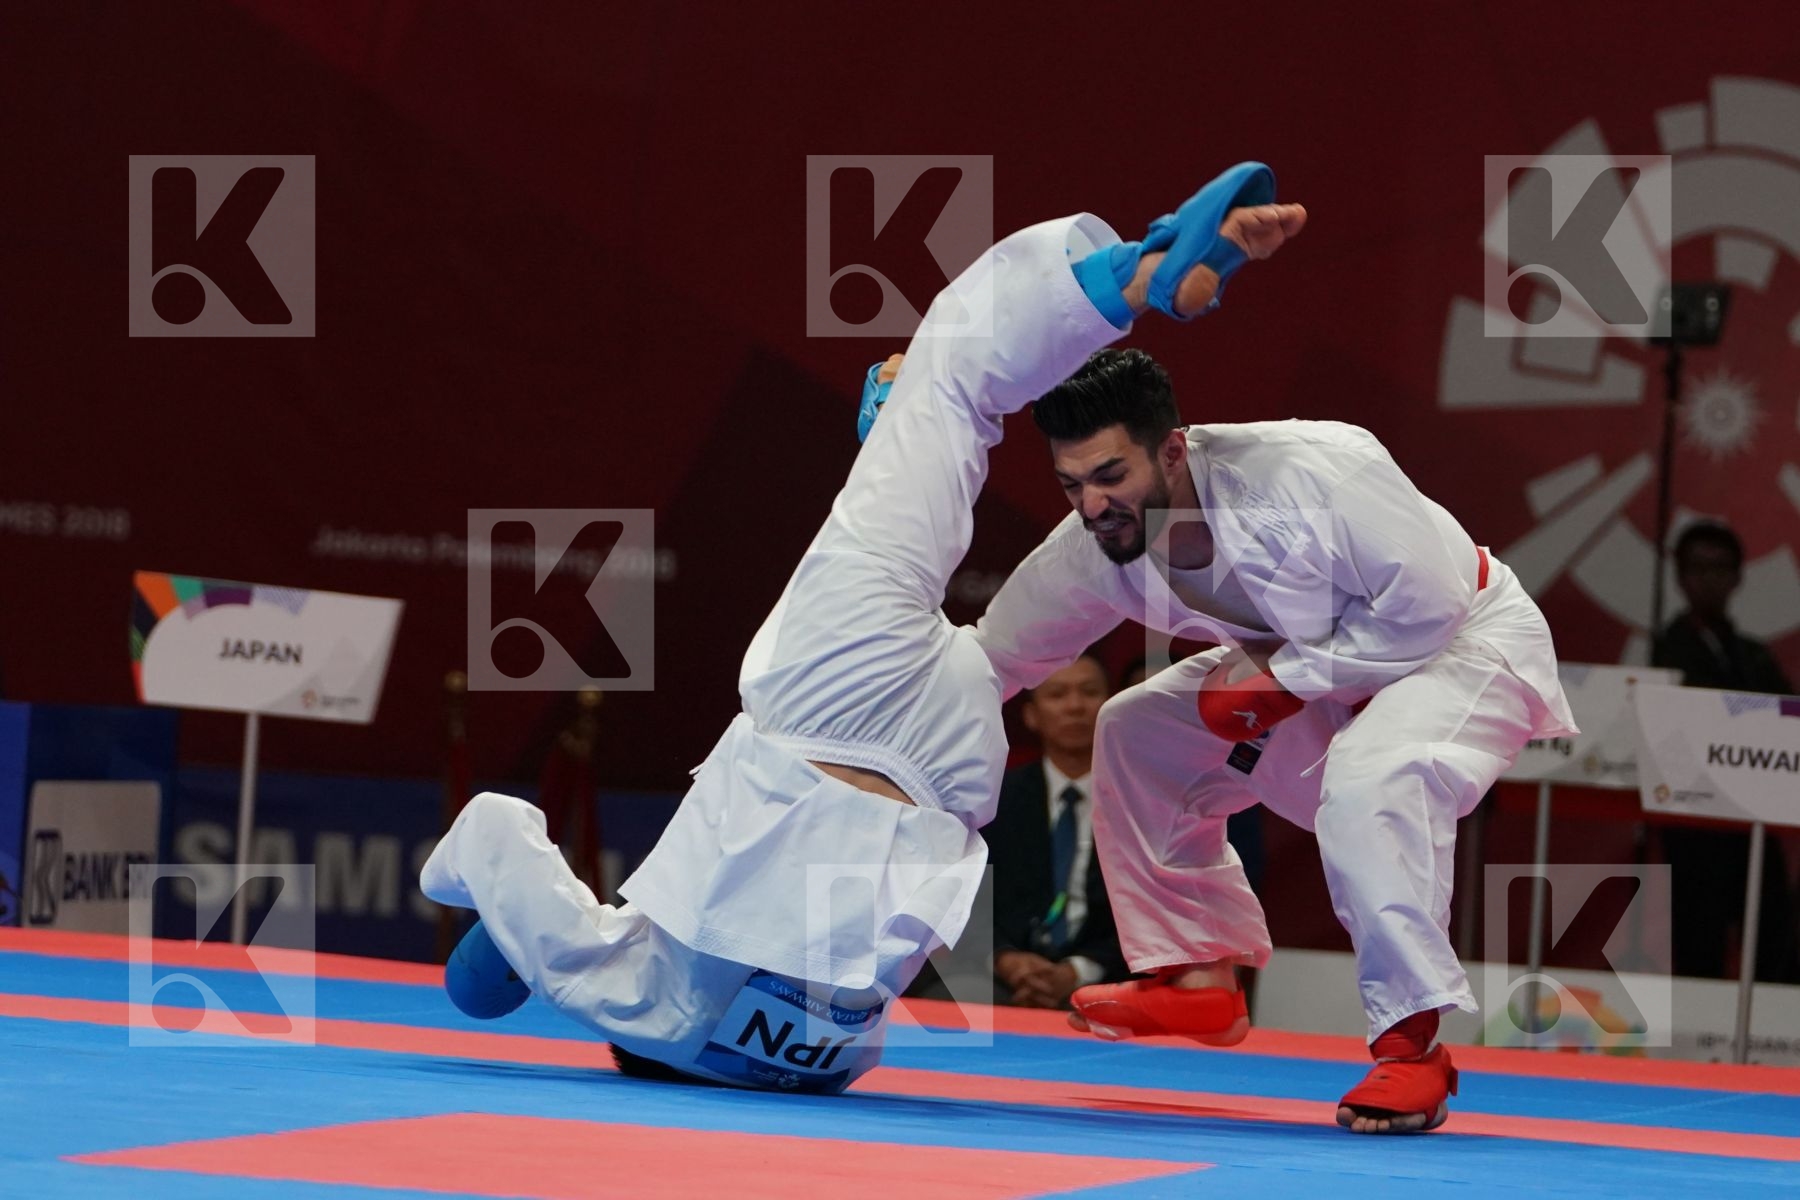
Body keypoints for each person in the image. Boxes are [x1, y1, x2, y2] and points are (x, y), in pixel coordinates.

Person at [420, 164, 1308, 1093]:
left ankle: (1289, 615)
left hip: (942, 766)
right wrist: (505, 931)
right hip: (830, 708)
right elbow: (492, 835)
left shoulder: (819, 1066)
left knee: (1099, 562)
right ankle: (1141, 273)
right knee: (947, 382)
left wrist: (525, 945)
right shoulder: (622, 993)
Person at [968, 332, 1579, 1132]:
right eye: (1071, 484)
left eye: (1112, 476)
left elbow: (1430, 605)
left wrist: (1284, 681)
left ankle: (1413, 1050)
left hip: (1463, 647)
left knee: (1370, 779)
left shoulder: (1314, 470)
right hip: (1320, 677)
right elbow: (993, 655)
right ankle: (1197, 976)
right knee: (1136, 728)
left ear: (1173, 450)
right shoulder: (1090, 550)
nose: (1092, 506)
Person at [1652, 520, 1799, 983]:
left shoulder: (1752, 654)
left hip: (1753, 823)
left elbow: (1786, 715)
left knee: (1773, 938)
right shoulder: (1669, 650)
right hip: (1695, 827)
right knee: (1699, 946)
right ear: (1680, 577)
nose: (1709, 579)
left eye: (1720, 568)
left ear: (1737, 577)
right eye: (1698, 568)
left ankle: (1770, 1026)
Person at [989, 653, 1129, 1008]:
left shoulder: (1142, 802)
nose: (1075, 706)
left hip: (1112, 977)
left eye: (1089, 692)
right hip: (1002, 975)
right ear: (1031, 715)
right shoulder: (995, 799)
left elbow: (1154, 912)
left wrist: (1077, 971)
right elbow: (967, 899)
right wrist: (1006, 960)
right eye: (1057, 694)